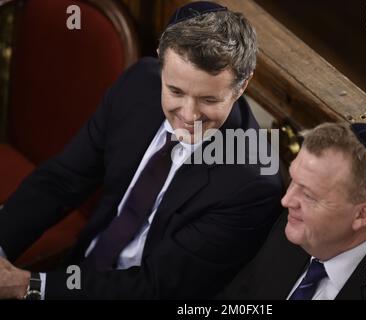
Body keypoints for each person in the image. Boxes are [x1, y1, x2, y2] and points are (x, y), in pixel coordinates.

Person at [0, 1, 283, 299]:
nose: (188, 116)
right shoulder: (139, 84)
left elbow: (157, 288)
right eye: (175, 91)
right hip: (77, 268)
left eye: (209, 100)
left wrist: (30, 286)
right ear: (161, 60)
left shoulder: (252, 184)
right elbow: (63, 179)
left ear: (241, 85)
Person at [221, 122, 366, 300]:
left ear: (362, 215)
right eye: (294, 181)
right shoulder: (299, 222)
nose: (287, 200)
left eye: (309, 195)